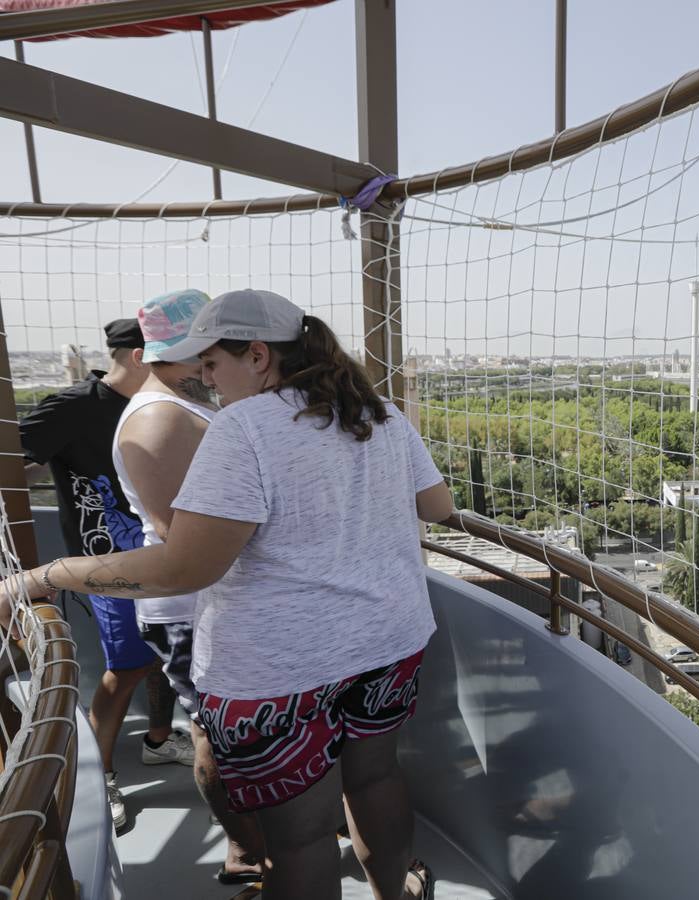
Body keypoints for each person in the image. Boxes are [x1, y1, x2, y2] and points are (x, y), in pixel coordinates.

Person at [5, 289, 452, 900]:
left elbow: (184, 567)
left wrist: (45, 576)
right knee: (375, 780)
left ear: (259, 355)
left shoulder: (246, 426)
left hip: (282, 665)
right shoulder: (376, 412)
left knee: (299, 839)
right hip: (388, 637)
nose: (206, 381)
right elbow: (437, 505)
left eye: (213, 363)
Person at [111, 289, 265, 886]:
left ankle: (258, 839)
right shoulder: (161, 418)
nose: (209, 365)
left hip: (210, 599)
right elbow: (185, 538)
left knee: (226, 729)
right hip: (191, 605)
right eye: (199, 354)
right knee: (214, 733)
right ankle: (247, 851)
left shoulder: (180, 405)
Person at [19, 318, 193, 830]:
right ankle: (101, 776)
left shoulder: (167, 405)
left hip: (166, 556)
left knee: (163, 651)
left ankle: (159, 741)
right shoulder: (75, 406)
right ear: (141, 356)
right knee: (127, 668)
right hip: (108, 561)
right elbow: (17, 460)